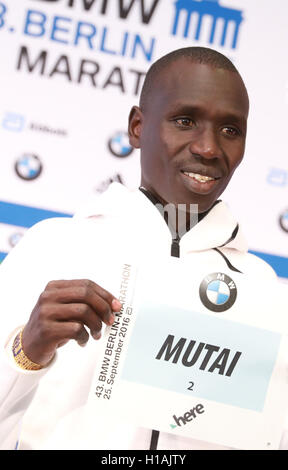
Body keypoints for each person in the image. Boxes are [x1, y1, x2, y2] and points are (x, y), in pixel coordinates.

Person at [0, 47, 283, 450]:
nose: (208, 147)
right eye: (185, 121)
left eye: (230, 130)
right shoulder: (53, 247)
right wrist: (27, 350)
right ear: (137, 127)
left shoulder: (261, 287)